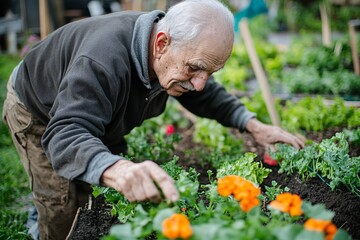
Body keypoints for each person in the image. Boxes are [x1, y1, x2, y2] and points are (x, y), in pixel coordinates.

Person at [2, 0, 304, 239]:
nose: (199, 83)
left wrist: (254, 126)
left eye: (209, 73)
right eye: (196, 69)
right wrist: (116, 169)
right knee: (62, 202)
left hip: (90, 108)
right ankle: (41, 223)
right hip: (39, 107)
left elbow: (205, 95)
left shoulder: (174, 56)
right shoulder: (101, 62)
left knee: (96, 186)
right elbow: (65, 133)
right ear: (161, 43)